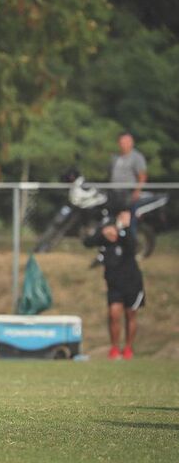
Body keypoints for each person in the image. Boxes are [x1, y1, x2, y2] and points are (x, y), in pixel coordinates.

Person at [83, 211, 144, 360]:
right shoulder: (106, 235)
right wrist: (103, 233)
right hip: (114, 283)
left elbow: (133, 245)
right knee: (114, 314)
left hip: (132, 282)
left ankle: (128, 348)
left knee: (130, 314)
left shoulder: (127, 234)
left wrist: (123, 230)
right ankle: (115, 348)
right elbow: (88, 242)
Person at [109, 132, 147, 234]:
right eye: (121, 142)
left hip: (128, 194)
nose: (123, 144)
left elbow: (142, 176)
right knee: (114, 219)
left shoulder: (137, 157)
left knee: (128, 220)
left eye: (126, 142)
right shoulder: (115, 157)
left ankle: (131, 243)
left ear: (131, 143)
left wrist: (137, 191)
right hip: (115, 194)